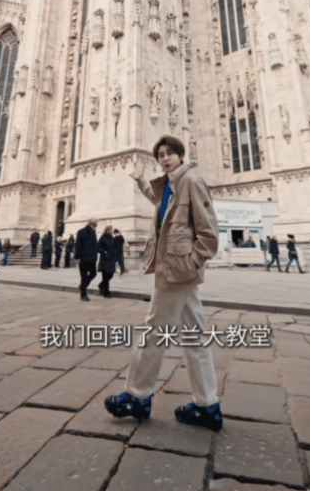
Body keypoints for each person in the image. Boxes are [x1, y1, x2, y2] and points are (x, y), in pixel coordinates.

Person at [104, 134, 223, 432]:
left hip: (176, 270)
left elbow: (209, 232)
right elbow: (160, 203)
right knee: (195, 336)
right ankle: (207, 405)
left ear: (181, 155)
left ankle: (137, 396)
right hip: (176, 269)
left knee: (154, 329)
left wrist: (191, 263)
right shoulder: (169, 185)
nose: (165, 158)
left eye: (170, 153)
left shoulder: (192, 181)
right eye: (160, 155)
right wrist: (141, 182)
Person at [75, 218, 98, 301]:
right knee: (84, 277)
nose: (97, 224)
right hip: (83, 258)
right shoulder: (81, 231)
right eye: (96, 223)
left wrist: (95, 256)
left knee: (94, 273)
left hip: (92, 258)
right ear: (92, 223)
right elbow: (78, 245)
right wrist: (77, 257)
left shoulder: (93, 232)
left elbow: (95, 245)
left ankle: (82, 286)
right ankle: (83, 294)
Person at [98, 225, 117, 297]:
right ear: (107, 230)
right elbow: (97, 247)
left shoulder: (112, 237)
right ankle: (106, 292)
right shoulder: (102, 238)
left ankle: (101, 285)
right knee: (105, 276)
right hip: (105, 260)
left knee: (111, 275)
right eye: (111, 230)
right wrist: (104, 252)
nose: (112, 231)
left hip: (111, 260)